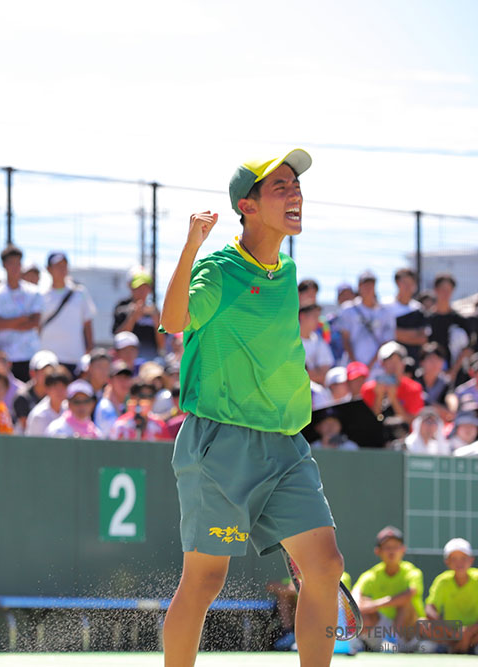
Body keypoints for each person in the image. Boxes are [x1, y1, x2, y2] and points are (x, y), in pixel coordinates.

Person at [160, 150, 344, 665]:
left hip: (285, 446)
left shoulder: (287, 271)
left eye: (296, 185)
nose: (295, 193)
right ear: (248, 206)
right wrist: (191, 248)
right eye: (280, 186)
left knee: (326, 566)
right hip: (221, 445)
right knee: (205, 579)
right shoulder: (219, 269)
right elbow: (173, 320)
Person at [353, 526, 425, 653]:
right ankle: (360, 643)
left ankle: (393, 641)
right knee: (363, 605)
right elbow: (355, 598)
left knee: (406, 603)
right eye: (387, 547)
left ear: (403, 550)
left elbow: (409, 594)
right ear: (378, 551)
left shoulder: (413, 572)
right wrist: (364, 604)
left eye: (396, 547)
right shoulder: (370, 576)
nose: (392, 551)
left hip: (408, 632)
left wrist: (374, 605)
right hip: (381, 633)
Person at [0, 244, 43, 383]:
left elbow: (34, 322)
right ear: (4, 265)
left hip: (29, 355)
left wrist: (8, 323)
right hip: (3, 357)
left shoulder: (34, 292)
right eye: (11, 263)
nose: (15, 267)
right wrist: (23, 319)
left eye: (18, 263)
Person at [39, 251, 95, 370]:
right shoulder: (41, 295)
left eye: (64, 265)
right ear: (48, 269)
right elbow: (37, 326)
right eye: (57, 266)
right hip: (48, 359)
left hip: (75, 357)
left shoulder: (80, 292)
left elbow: (88, 323)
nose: (62, 269)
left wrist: (90, 349)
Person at [423, 538, 478, 654]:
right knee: (423, 623)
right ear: (447, 562)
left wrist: (468, 632)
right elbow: (429, 610)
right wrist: (454, 633)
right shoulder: (442, 581)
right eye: (454, 559)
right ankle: (456, 647)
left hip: (474, 632)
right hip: (449, 633)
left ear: (471, 560)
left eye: (463, 558)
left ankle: (455, 648)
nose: (459, 563)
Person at [334, 270, 395, 374]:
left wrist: (370, 365)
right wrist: (356, 364)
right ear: (359, 287)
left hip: (377, 368)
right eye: (365, 285)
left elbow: (386, 342)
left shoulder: (385, 312)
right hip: (352, 366)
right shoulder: (348, 310)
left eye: (371, 285)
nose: (368, 289)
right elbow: (345, 339)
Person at [360, 341, 424, 428]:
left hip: (404, 435)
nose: (394, 365)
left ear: (403, 364)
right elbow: (368, 424)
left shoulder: (414, 388)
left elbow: (413, 423)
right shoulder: (368, 389)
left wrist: (393, 399)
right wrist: (379, 397)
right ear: (382, 364)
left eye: (398, 360)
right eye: (389, 361)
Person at [429, 274, 472, 386]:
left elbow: (468, 348)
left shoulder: (460, 319)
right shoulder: (427, 318)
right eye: (443, 289)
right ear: (435, 290)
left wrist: (453, 371)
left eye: (449, 290)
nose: (446, 293)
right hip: (430, 374)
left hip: (457, 374)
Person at [113, 267, 163, 362]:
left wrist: (157, 322)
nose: (142, 291)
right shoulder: (122, 308)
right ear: (131, 288)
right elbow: (117, 337)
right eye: (138, 288)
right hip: (127, 361)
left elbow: (162, 345)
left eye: (145, 288)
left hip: (150, 360)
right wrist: (133, 317)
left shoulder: (155, 311)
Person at [11, 349, 58, 432]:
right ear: (32, 373)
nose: (47, 375)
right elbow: (29, 430)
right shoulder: (22, 397)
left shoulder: (61, 396)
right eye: (43, 371)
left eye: (50, 371)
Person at [387, 268, 428, 363]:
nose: (407, 287)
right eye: (404, 282)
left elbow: (422, 338)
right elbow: (386, 334)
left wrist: (398, 333)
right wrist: (414, 334)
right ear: (397, 283)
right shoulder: (386, 307)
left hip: (413, 361)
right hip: (391, 362)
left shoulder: (419, 309)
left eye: (411, 283)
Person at [24, 367, 70, 437]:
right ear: (47, 389)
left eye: (63, 387)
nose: (60, 391)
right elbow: (34, 442)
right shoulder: (38, 416)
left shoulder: (70, 409)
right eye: (56, 387)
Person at [94, 360, 133, 436]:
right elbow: (113, 437)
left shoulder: (126, 404)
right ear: (110, 381)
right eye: (120, 378)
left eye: (127, 378)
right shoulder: (105, 407)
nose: (124, 382)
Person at [300, 303, 333, 386]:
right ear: (302, 316)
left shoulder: (320, 341)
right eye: (314, 316)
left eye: (318, 317)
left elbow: (324, 375)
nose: (318, 321)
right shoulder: (290, 341)